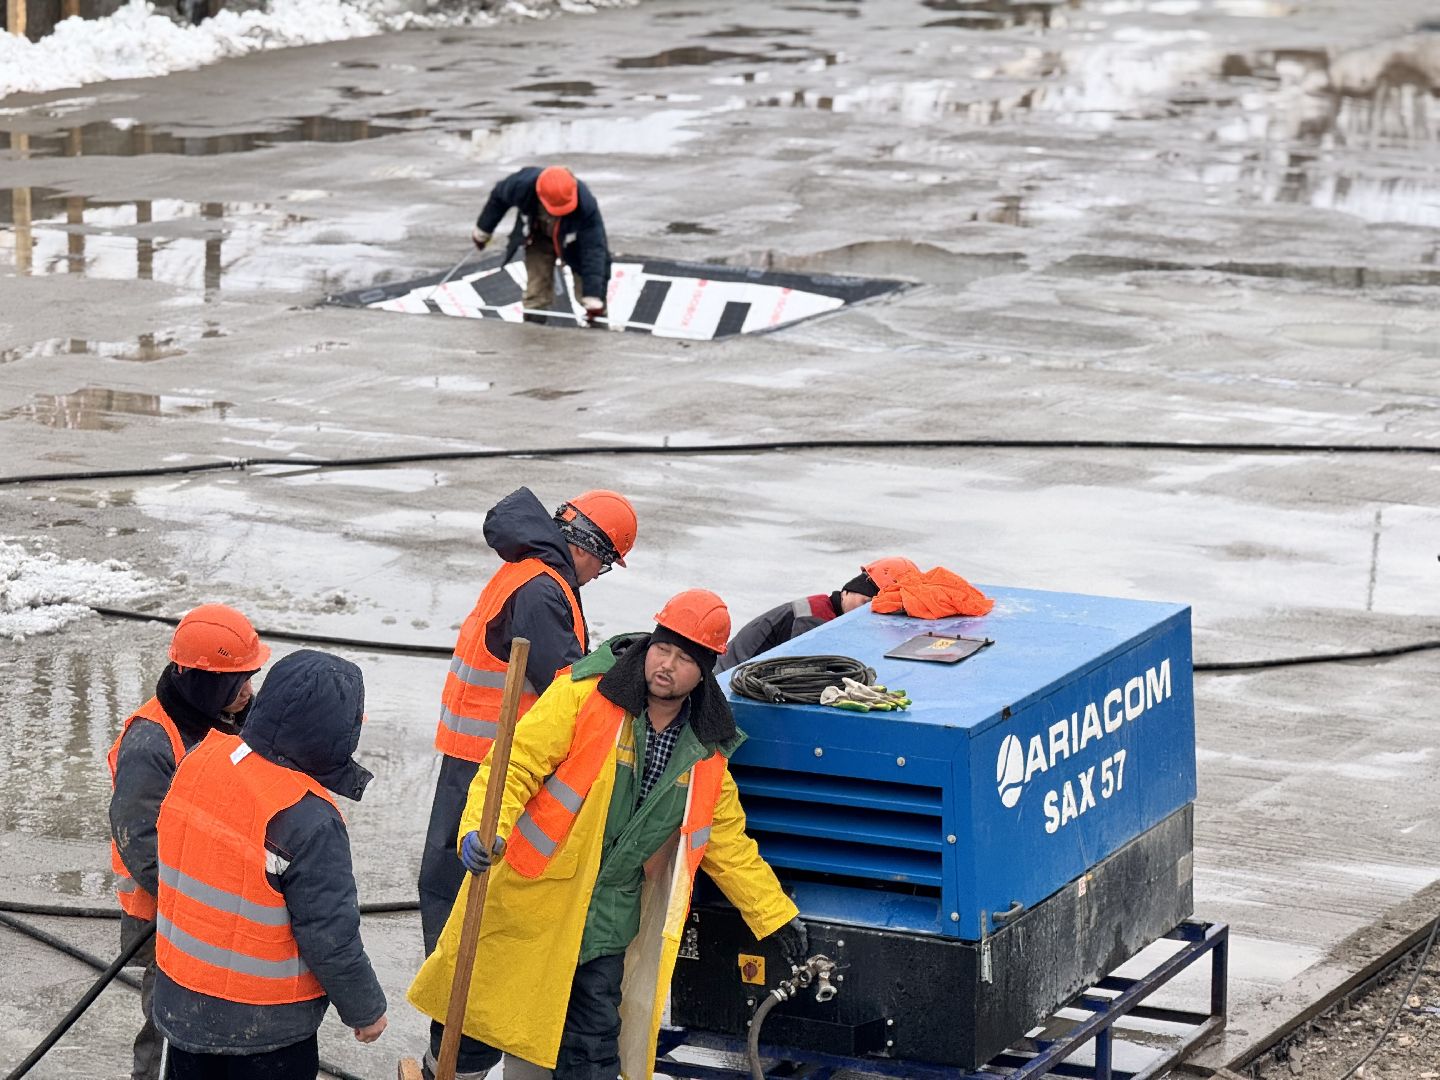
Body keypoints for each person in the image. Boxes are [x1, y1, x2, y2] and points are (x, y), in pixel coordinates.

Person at [408, 589, 809, 1080]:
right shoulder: (584, 695)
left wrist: (774, 914)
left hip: (608, 918)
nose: (666, 665)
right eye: (662, 649)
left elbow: (726, 842)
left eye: (684, 659)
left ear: (704, 671)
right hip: (532, 898)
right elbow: (514, 766)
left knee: (592, 1050)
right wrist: (481, 829)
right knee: (473, 1027)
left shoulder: (706, 749)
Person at [418, 486, 638, 955]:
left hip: (469, 752)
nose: (598, 575)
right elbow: (566, 685)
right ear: (586, 547)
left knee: (447, 881)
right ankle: (460, 1003)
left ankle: (448, 1000)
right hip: (496, 761)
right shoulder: (544, 591)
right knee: (472, 892)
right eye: (604, 563)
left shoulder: (524, 573)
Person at [150, 649, 388, 1079]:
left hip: (181, 1004)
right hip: (264, 1028)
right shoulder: (308, 817)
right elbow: (330, 936)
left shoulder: (200, 760)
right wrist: (365, 1010)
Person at [107, 604, 269, 1080]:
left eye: (249, 677)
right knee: (167, 1021)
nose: (248, 691)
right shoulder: (152, 742)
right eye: (236, 681)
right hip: (166, 917)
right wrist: (203, 900)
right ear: (202, 681)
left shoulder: (229, 717)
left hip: (218, 908)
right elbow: (139, 841)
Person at [717, 556, 919, 672]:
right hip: (724, 679)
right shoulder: (814, 617)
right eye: (863, 603)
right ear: (847, 591)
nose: (863, 613)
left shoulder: (837, 617)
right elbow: (803, 671)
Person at [471, 165, 611, 325]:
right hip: (537, 234)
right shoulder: (520, 185)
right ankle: (532, 330)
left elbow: (594, 250)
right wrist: (483, 230)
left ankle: (598, 327)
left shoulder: (585, 204)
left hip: (573, 242)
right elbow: (498, 199)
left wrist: (593, 295)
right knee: (536, 288)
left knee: (591, 293)